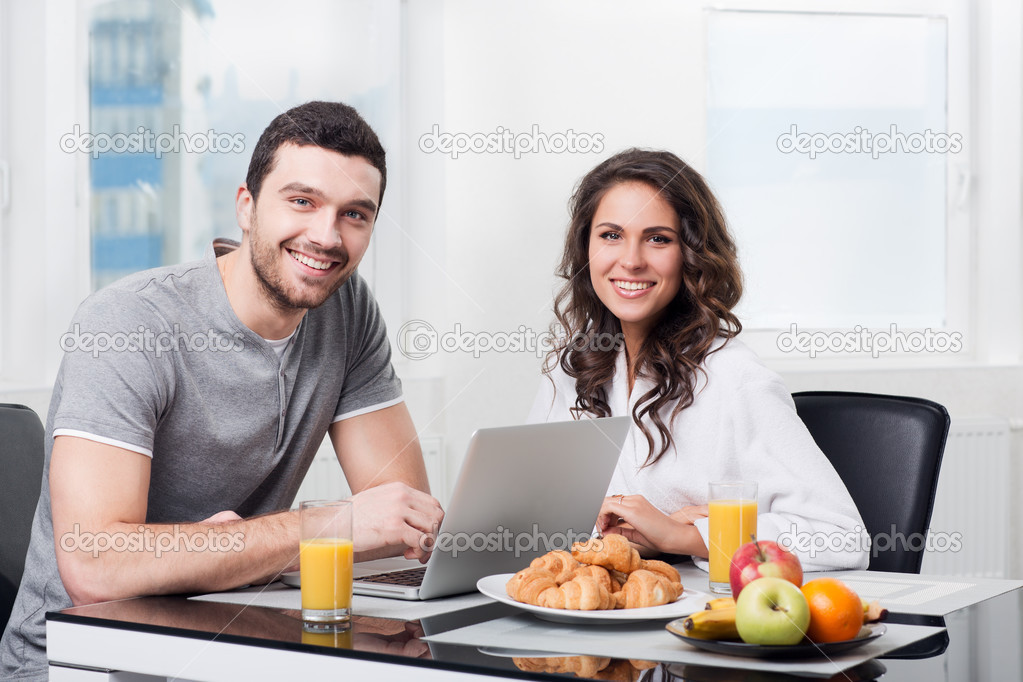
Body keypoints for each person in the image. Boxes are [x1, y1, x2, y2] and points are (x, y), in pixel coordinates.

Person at [1, 101, 444, 679]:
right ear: (247, 206)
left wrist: (224, 553)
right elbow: (95, 564)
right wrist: (325, 527)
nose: (326, 235)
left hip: (232, 640)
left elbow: (402, 517)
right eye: (302, 201)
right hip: (79, 661)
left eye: (355, 214)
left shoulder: (348, 310)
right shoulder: (129, 323)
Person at [528, 148, 868, 571]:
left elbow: (842, 537)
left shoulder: (735, 378)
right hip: (591, 617)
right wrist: (621, 535)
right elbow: (535, 514)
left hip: (696, 620)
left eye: (658, 238)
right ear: (586, 249)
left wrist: (687, 536)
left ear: (691, 254)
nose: (631, 260)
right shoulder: (571, 368)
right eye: (611, 235)